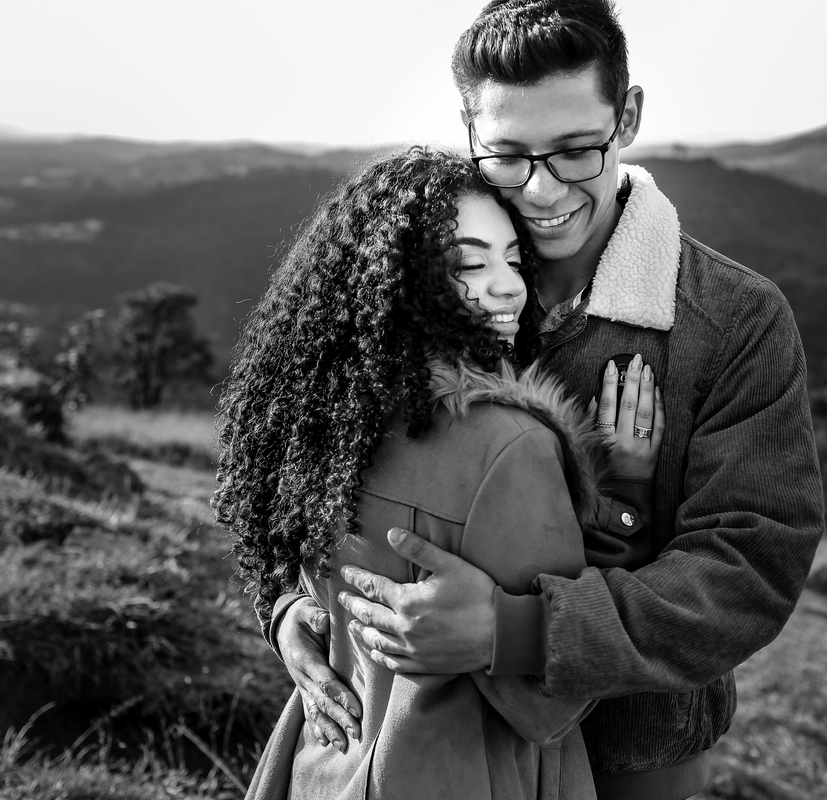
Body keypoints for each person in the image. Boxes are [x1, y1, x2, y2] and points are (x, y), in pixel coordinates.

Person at [271, 2, 827, 799]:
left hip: (632, 749)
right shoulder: (421, 281)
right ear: (470, 134)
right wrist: (290, 604)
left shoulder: (734, 318)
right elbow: (308, 458)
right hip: (428, 738)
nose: (540, 189)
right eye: (507, 156)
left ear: (627, 116)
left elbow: (749, 568)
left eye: (575, 150)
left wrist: (516, 631)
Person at [214, 147, 667, 800]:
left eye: (514, 260)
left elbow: (289, 565)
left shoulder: (319, 417)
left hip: (322, 763)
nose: (509, 286)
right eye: (470, 264)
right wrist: (624, 493)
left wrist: (287, 615)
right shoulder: (510, 446)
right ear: (402, 282)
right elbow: (552, 704)